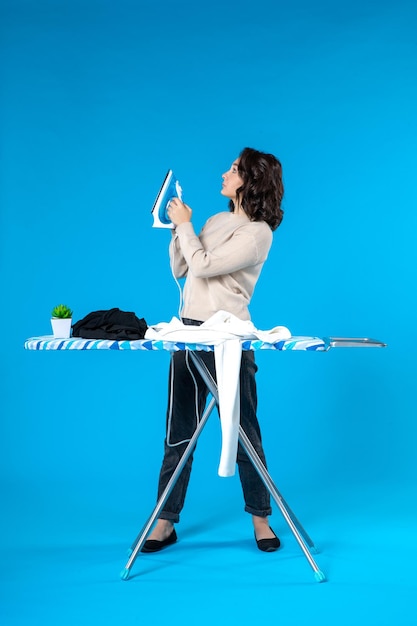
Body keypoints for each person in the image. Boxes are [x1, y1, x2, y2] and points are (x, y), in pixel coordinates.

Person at [142, 147, 284, 553]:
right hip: (187, 333)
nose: (225, 173)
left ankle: (261, 518)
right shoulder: (216, 220)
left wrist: (187, 228)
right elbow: (183, 268)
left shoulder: (258, 233)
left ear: (251, 180)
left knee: (243, 429)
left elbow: (204, 265)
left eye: (234, 169)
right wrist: (177, 227)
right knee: (179, 430)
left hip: (227, 336)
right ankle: (165, 522)